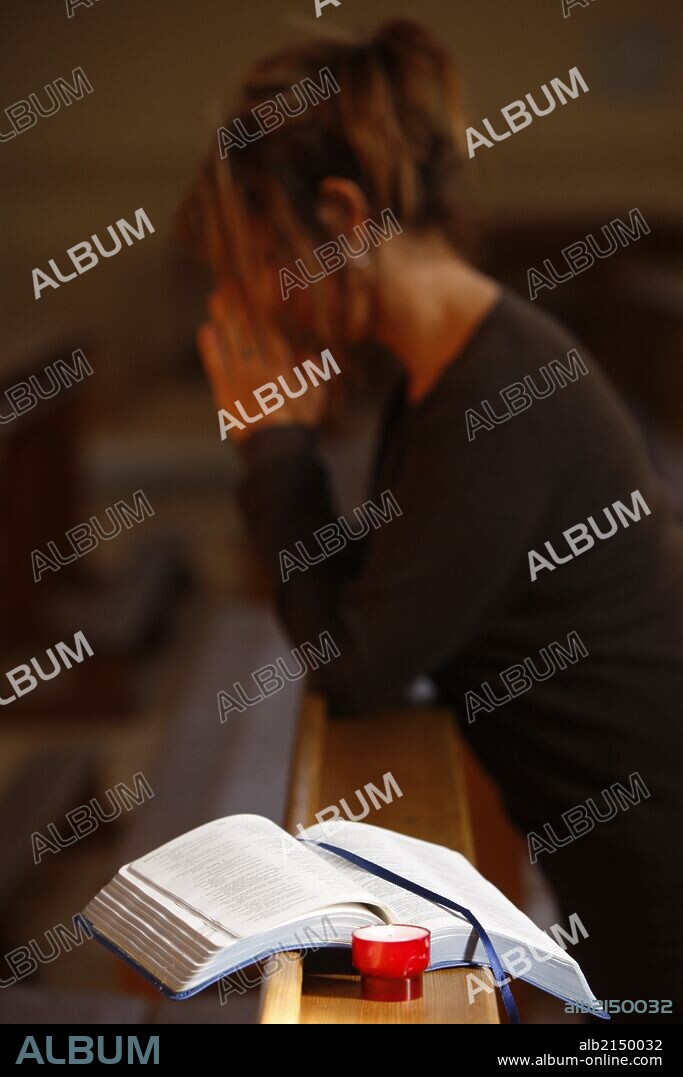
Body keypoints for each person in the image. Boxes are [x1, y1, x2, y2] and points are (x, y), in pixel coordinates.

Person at [181, 20, 683, 1021]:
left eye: (262, 263)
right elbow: (382, 597)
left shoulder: (497, 393)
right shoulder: (449, 374)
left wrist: (276, 452)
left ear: (337, 216)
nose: (252, 306)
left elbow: (355, 660)